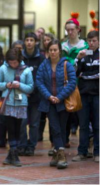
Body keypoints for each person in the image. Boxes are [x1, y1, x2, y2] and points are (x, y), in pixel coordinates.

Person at [36, 40, 76, 169]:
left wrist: (59, 97)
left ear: (59, 50)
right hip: (49, 102)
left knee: (62, 128)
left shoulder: (66, 64)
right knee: (55, 127)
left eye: (55, 49)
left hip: (63, 101)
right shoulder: (44, 65)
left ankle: (56, 154)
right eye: (50, 50)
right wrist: (49, 96)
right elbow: (39, 81)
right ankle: (61, 155)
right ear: (48, 52)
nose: (53, 52)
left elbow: (72, 82)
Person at [0, 48, 34, 167]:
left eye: (15, 63)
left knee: (19, 128)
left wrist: (20, 85)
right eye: (11, 63)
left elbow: (31, 87)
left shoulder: (26, 70)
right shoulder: (2, 68)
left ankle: (12, 153)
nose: (13, 65)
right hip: (8, 102)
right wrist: (7, 85)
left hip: (21, 103)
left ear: (19, 60)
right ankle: (14, 153)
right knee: (10, 127)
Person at [72, 30, 99, 163]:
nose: (92, 43)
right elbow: (75, 73)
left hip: (97, 95)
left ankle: (97, 152)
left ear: (98, 41)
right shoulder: (84, 54)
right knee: (82, 125)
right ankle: (82, 152)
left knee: (97, 125)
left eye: (94, 41)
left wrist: (85, 76)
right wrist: (77, 58)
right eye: (90, 41)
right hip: (83, 94)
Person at [62, 17, 89, 147]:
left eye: (72, 29)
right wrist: (75, 59)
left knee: (83, 114)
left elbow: (91, 56)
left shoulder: (86, 46)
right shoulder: (62, 46)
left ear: (78, 30)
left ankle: (86, 141)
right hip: (67, 83)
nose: (70, 32)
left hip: (82, 83)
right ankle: (64, 139)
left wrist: (74, 59)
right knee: (66, 112)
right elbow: (61, 62)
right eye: (67, 30)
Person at [18, 32, 45, 156]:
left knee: (34, 123)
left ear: (35, 42)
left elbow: (42, 77)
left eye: (31, 40)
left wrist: (32, 90)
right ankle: (22, 145)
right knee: (22, 122)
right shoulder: (19, 57)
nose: (29, 42)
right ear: (24, 42)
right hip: (21, 94)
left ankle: (31, 146)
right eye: (27, 40)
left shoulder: (41, 58)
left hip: (36, 96)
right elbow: (15, 75)